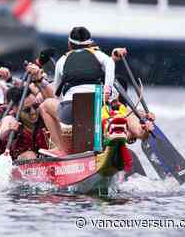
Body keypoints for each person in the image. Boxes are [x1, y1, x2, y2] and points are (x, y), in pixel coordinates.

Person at [38, 26, 126, 157]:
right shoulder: (99, 55)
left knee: (44, 106)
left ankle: (61, 149)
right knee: (103, 110)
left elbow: (56, 93)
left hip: (70, 109)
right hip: (95, 105)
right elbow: (110, 63)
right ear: (90, 43)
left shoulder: (62, 61)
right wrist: (107, 89)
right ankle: (102, 145)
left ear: (69, 44)